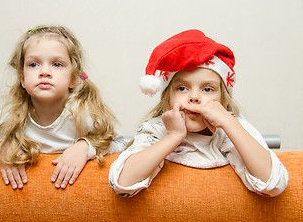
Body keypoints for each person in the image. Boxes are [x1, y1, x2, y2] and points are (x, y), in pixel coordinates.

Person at [109, 29, 288, 197]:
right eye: (182, 88)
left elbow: (273, 184)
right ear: (167, 97)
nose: (194, 97)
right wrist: (174, 136)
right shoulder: (157, 130)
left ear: (223, 100)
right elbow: (122, 184)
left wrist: (228, 122)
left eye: (207, 89)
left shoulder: (231, 128)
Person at [0, 25, 126, 190]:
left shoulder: (82, 114)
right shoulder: (11, 116)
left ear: (74, 78)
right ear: (22, 78)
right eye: (33, 64)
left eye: (57, 64)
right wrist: (3, 149)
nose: (44, 72)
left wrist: (85, 147)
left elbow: (119, 143)